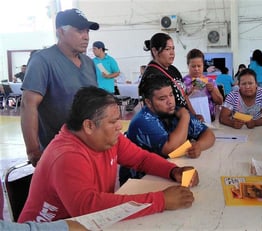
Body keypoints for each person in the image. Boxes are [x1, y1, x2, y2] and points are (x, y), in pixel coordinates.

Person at [18, 86, 198, 223]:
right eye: (113, 122)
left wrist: (172, 171)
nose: (119, 126)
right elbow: (88, 208)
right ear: (89, 126)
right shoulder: (66, 155)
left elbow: (141, 159)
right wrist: (160, 201)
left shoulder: (108, 139)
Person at [20, 8, 99, 167]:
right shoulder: (43, 61)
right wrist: (33, 150)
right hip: (59, 153)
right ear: (61, 32)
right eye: (79, 31)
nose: (86, 36)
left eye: (87, 31)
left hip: (90, 149)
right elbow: (28, 105)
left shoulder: (88, 63)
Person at [141, 33, 201, 120]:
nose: (172, 53)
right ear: (155, 51)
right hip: (170, 123)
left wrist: (194, 115)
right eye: (167, 49)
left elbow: (184, 96)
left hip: (184, 118)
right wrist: (183, 118)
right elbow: (156, 108)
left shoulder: (173, 69)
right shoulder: (151, 75)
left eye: (173, 48)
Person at [183, 49, 223, 121]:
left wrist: (212, 90)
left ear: (203, 65)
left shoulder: (210, 81)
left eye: (199, 66)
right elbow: (180, 103)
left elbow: (220, 101)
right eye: (193, 66)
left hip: (210, 119)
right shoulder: (183, 82)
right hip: (191, 120)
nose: (196, 69)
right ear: (188, 65)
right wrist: (189, 93)